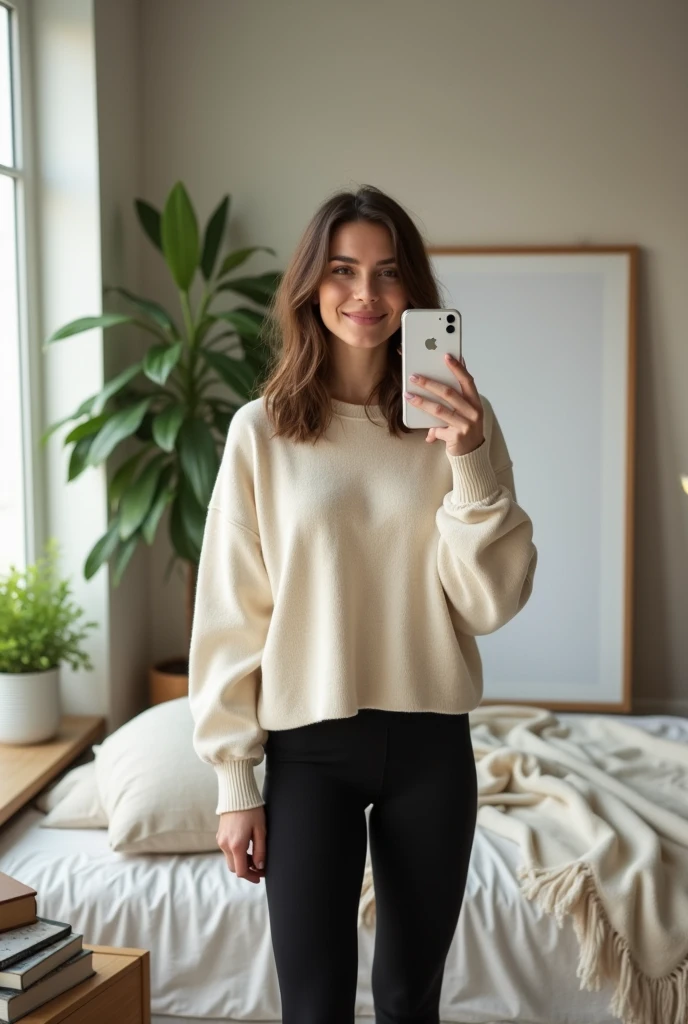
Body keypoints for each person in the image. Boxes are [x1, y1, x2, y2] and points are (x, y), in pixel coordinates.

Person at [188, 184, 538, 1024]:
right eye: (343, 270)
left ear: (413, 291)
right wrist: (236, 778)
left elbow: (489, 601)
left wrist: (472, 461)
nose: (367, 295)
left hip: (432, 747)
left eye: (388, 274)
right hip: (310, 752)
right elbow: (234, 611)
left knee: (410, 1001)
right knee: (313, 1007)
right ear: (312, 285)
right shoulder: (261, 433)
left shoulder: (460, 424)